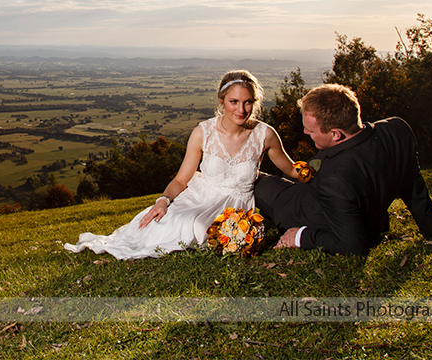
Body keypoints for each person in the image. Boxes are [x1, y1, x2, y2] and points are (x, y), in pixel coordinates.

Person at [64, 70, 300, 260]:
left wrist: (317, 174)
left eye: (248, 103)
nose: (241, 110)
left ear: (255, 103)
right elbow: (180, 179)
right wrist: (163, 201)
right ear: (221, 101)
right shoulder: (203, 132)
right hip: (200, 195)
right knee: (166, 222)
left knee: (199, 228)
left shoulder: (265, 134)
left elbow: (290, 168)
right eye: (234, 102)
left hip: (236, 206)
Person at [254, 83, 432, 255]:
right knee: (284, 176)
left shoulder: (335, 177)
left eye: (310, 131)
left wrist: (300, 236)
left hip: (300, 210)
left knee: (254, 181)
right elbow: (413, 188)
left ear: (335, 134)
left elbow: (352, 246)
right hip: (360, 216)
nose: (305, 133)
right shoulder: (397, 130)